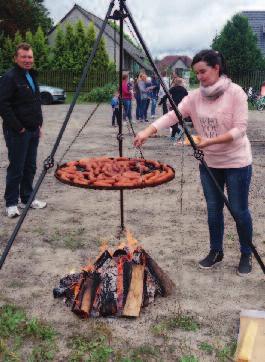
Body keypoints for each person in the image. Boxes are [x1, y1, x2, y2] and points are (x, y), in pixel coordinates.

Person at [134, 49, 253, 276]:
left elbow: (240, 129)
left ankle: (246, 252)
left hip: (236, 161)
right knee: (212, 210)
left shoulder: (236, 93)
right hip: (209, 163)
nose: (199, 77)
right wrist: (147, 131)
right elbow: (173, 115)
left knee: (239, 210)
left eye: (203, 71)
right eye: (196, 73)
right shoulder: (195, 97)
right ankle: (216, 251)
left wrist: (209, 141)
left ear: (216, 68)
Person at [0, 43, 47, 218]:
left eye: (30, 57)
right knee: (17, 167)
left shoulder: (31, 76)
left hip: (33, 130)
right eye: (24, 57)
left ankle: (27, 198)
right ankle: (11, 203)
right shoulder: (10, 77)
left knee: (30, 166)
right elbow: (3, 105)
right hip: (17, 131)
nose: (27, 60)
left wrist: (39, 125)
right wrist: (18, 127)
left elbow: (35, 102)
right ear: (16, 58)